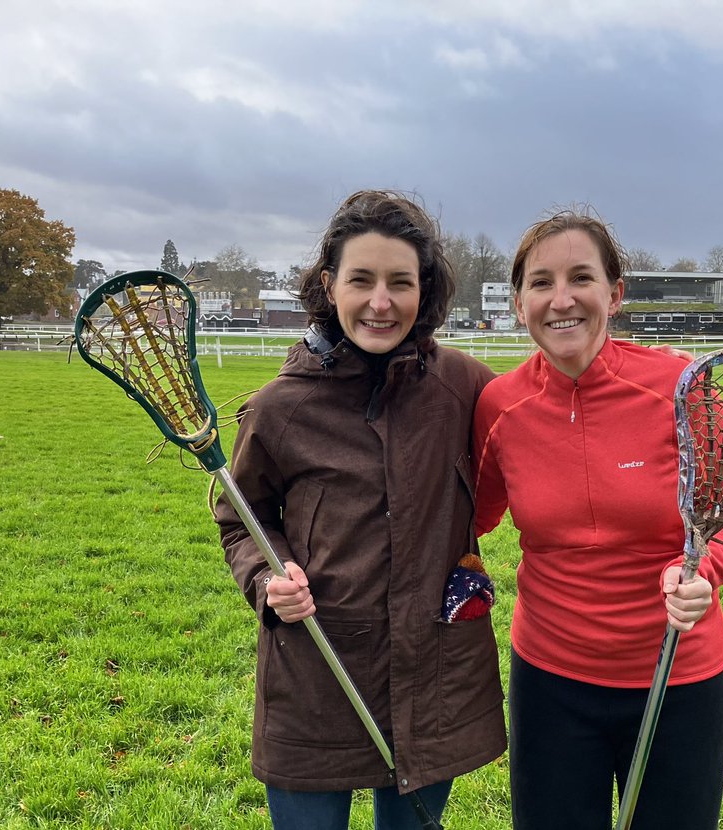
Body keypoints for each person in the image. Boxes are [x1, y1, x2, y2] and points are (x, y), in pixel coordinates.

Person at [215, 190, 507, 830]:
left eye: (401, 282)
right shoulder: (280, 408)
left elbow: (555, 421)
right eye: (362, 280)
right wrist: (269, 578)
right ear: (330, 284)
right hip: (316, 676)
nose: (382, 301)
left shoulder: (466, 387)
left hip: (433, 676)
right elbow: (242, 515)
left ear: (423, 289)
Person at [472, 209, 723, 830]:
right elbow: (471, 518)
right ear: (519, 303)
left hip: (678, 677)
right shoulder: (500, 406)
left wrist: (705, 568)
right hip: (549, 681)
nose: (562, 299)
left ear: (615, 293)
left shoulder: (681, 387)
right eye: (541, 282)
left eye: (581, 277)